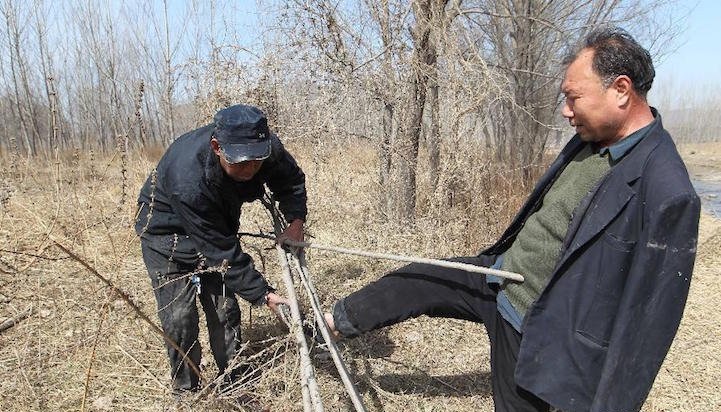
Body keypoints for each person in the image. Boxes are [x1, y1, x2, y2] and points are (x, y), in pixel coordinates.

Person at [324, 27, 700, 412]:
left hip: (537, 329)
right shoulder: (592, 138)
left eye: (573, 98)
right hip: (500, 277)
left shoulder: (667, 191)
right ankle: (332, 324)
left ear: (621, 90)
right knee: (418, 279)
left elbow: (647, 331)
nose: (565, 111)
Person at [135, 104, 306, 394]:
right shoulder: (187, 178)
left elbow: (290, 181)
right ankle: (186, 390)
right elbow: (220, 250)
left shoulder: (265, 148)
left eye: (257, 160)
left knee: (225, 310)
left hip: (216, 227)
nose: (251, 169)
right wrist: (264, 295)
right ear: (217, 147)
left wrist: (296, 219)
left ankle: (235, 378)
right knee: (180, 319)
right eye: (241, 162)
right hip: (167, 236)